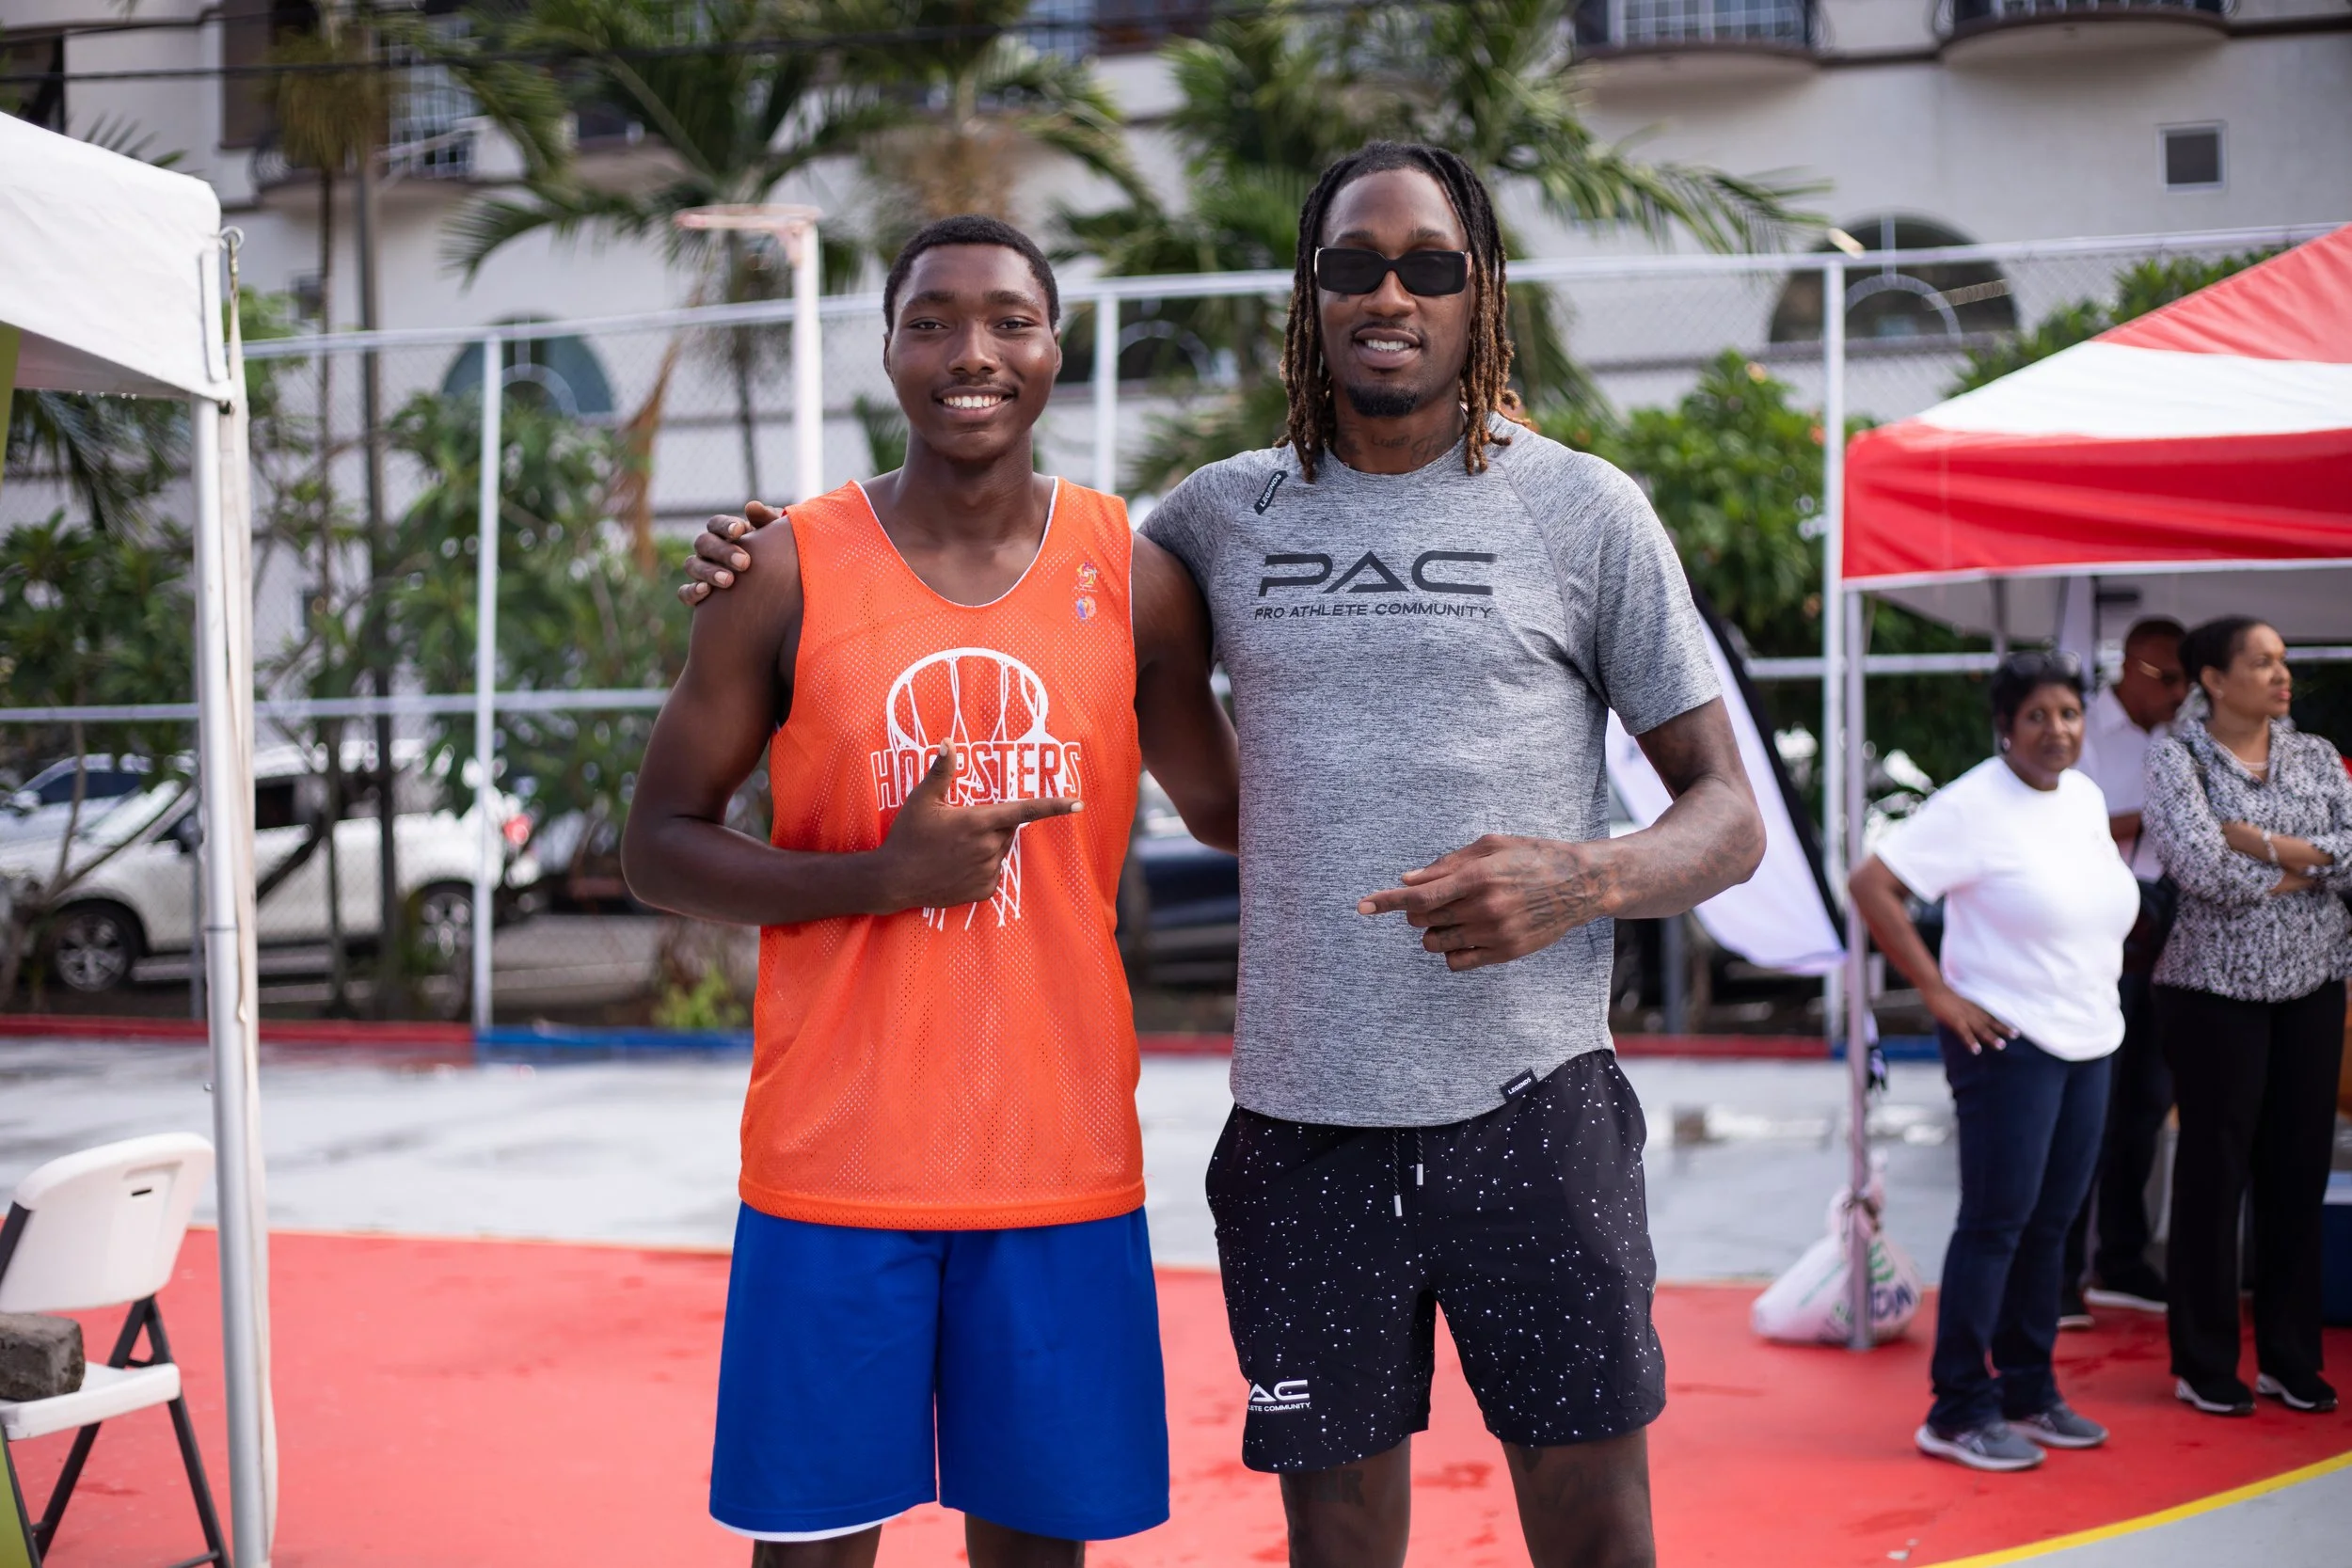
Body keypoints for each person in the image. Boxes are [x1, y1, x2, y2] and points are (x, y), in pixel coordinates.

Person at [688, 142, 1765, 1568]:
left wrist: (1585, 874)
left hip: (1534, 1107)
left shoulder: (1583, 510)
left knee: (1596, 1534)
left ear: (1479, 291)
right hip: (1303, 1130)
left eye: (1429, 264)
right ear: (1307, 295)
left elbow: (1729, 815)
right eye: (1352, 265)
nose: (1390, 293)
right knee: (1333, 1539)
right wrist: (758, 552)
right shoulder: (1209, 521)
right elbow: (1050, 616)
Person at [625, 214, 1240, 1566]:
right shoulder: (783, 566)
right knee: (813, 1545)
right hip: (837, 1163)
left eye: (1010, 319)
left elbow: (1238, 810)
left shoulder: (1133, 578)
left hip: (1058, 1160)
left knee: (1037, 1551)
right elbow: (656, 842)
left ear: (1056, 348)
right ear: (889, 349)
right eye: (932, 320)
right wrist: (880, 875)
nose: (973, 352)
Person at [1849, 651, 2140, 1473]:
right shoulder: (1971, 804)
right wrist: (1937, 992)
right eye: (2038, 716)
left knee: (2051, 1226)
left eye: (2070, 715)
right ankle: (1957, 1407)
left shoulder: (2081, 796)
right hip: (2008, 1041)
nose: (2058, 731)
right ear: (2005, 727)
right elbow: (1873, 885)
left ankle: (2026, 1386)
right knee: (1996, 1223)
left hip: (2091, 1034)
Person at [2142, 615, 2352, 1418]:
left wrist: (2262, 843)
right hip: (2212, 990)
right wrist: (2308, 857)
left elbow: (2349, 851)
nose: (2280, 674)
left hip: (2314, 982)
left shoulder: (2315, 753)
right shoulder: (2177, 756)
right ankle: (2204, 1359)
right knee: (2214, 1173)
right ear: (2214, 679)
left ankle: (2290, 1359)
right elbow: (2200, 869)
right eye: (2260, 662)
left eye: (2283, 661)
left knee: (2297, 1171)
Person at [2060, 617, 2187, 1326]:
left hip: (2163, 935)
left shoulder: (2176, 742)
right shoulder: (2079, 733)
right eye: (2167, 678)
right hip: (2099, 937)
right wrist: (2148, 822)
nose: (2178, 693)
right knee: (2091, 1112)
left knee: (2145, 1103)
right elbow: (2066, 827)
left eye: (2185, 681)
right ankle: (2065, 1268)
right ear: (2131, 667)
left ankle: (2124, 1258)